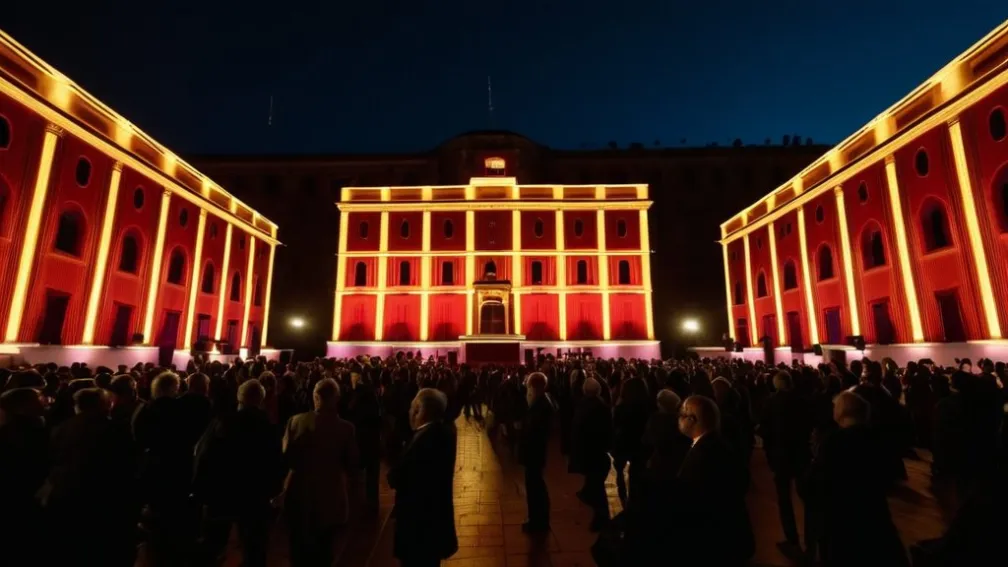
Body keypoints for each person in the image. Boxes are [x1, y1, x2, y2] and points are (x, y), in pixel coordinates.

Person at [807, 391, 908, 567]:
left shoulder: (834, 442)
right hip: (875, 517)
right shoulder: (878, 439)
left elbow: (817, 483)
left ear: (840, 412)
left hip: (842, 521)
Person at [39, 388, 136, 566]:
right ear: (104, 405)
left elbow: (51, 461)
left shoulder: (61, 429)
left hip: (68, 495)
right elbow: (128, 464)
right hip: (104, 498)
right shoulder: (115, 429)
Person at [193, 379, 284, 567]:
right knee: (255, 549)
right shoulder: (269, 428)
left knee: (212, 546)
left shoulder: (224, 421)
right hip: (256, 496)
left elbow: (203, 454)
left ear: (239, 398)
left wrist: (200, 489)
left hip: (222, 493)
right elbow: (277, 464)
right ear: (261, 400)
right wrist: (273, 491)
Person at [280, 378, 360, 567]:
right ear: (337, 398)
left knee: (298, 549)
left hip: (299, 494)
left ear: (315, 396)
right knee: (324, 549)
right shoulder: (346, 429)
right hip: (330, 496)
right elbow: (352, 464)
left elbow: (286, 457)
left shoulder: (295, 422)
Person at [676, 395, 755, 566]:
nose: (679, 419)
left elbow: (693, 500)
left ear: (692, 420)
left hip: (713, 542)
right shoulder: (718, 444)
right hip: (727, 536)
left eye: (683, 414)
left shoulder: (704, 454)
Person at [388, 388, 458, 567]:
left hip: (418, 525)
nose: (410, 413)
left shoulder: (424, 439)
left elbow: (398, 477)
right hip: (433, 521)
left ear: (420, 410)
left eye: (413, 408)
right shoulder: (442, 432)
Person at [758, 370, 812, 558]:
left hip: (780, 456)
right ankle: (811, 541)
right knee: (807, 498)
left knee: (784, 499)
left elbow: (764, 429)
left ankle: (792, 539)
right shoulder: (803, 401)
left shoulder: (771, 403)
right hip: (801, 455)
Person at [0, 387, 49, 567]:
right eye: (38, 400)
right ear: (23, 406)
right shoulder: (30, 432)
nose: (44, 403)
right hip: (25, 499)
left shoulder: (12, 430)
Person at [570, 376, 613, 531]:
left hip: (589, 451)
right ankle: (600, 518)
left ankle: (600, 517)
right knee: (598, 484)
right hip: (597, 451)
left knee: (595, 484)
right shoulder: (601, 407)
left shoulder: (582, 406)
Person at [518, 372, 553, 533]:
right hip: (534, 453)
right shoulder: (540, 402)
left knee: (535, 487)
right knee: (534, 486)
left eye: (529, 386)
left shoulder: (541, 405)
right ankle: (537, 519)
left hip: (534, 453)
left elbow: (534, 431)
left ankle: (538, 521)